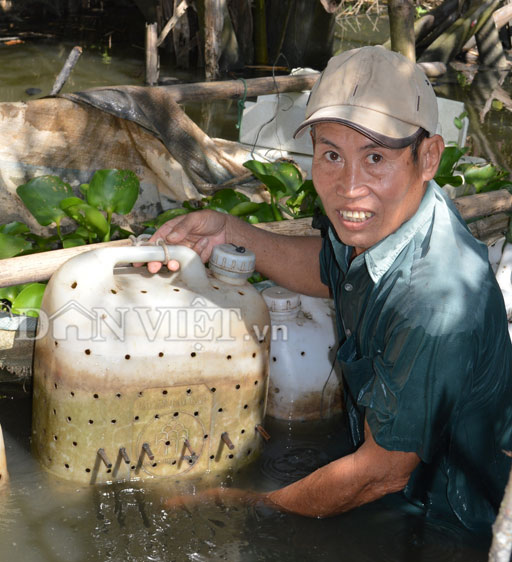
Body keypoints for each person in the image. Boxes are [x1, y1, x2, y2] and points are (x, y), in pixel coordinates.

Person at [148, 46, 512, 534]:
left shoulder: (436, 304)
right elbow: (329, 268)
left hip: (451, 516)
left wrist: (245, 502)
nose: (349, 186)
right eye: (332, 155)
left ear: (428, 158)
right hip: (393, 471)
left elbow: (378, 474)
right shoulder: (382, 223)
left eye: (376, 157)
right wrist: (231, 232)